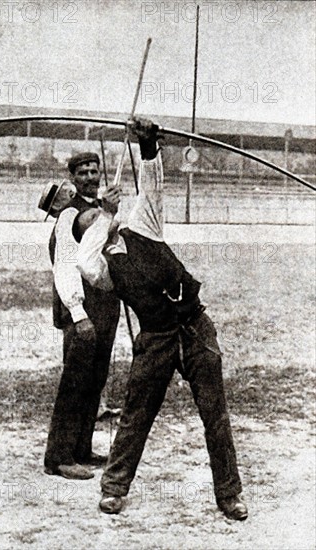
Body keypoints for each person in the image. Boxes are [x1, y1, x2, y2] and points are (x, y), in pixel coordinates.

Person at [75, 119, 248, 520]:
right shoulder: (101, 267)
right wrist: (103, 214)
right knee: (137, 415)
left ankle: (230, 496)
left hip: (195, 328)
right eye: (89, 226)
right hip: (156, 339)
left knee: (215, 414)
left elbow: (152, 182)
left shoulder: (144, 224)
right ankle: (114, 489)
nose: (92, 227)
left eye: (95, 223)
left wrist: (148, 141)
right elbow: (84, 260)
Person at [38, 152, 120, 480]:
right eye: (83, 172)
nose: (90, 175)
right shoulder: (71, 213)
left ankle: (81, 449)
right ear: (72, 177)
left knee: (95, 381)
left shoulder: (95, 208)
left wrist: (109, 209)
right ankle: (58, 457)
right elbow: (66, 267)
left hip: (105, 308)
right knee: (75, 383)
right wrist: (77, 313)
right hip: (82, 311)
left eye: (94, 170)